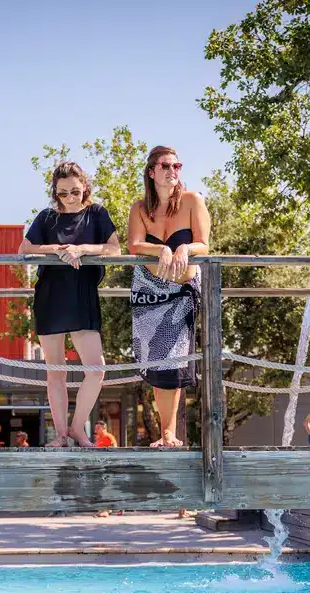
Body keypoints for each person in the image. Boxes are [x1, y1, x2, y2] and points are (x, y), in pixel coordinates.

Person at [18, 161, 121, 448]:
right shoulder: (47, 218)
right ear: (56, 193)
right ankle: (61, 435)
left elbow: (115, 249)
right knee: (56, 372)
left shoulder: (97, 213)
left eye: (75, 191)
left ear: (84, 187)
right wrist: (60, 250)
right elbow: (24, 249)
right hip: (51, 296)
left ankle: (78, 428)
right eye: (63, 193)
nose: (70, 198)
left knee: (96, 370)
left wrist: (82, 249)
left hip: (82, 295)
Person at [128, 146, 211, 448]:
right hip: (148, 293)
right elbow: (135, 245)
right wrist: (161, 248)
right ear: (151, 171)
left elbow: (204, 243)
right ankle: (164, 432)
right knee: (155, 359)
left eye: (177, 165)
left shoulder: (192, 201)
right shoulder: (140, 208)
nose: (172, 171)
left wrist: (184, 248)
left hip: (180, 293)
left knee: (174, 360)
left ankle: (168, 433)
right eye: (165, 165)